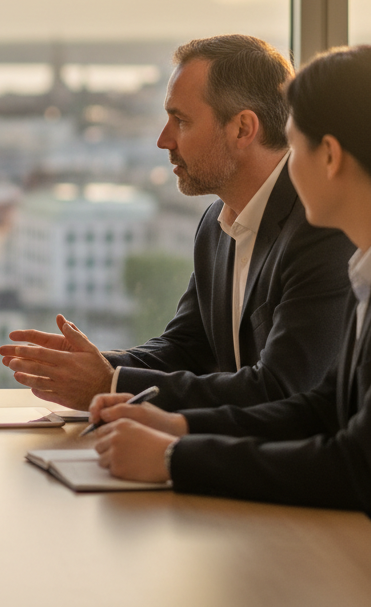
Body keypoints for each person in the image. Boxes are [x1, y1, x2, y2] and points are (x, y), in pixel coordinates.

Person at [0, 35, 354, 411]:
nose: (162, 140)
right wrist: (95, 367)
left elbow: (281, 390)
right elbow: (185, 348)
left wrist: (109, 383)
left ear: (242, 129)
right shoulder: (216, 225)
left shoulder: (322, 229)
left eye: (180, 121)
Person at [88, 45, 371, 512]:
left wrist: (174, 457)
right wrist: (177, 428)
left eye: (295, 145)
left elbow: (354, 465)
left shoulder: (328, 246)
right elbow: (319, 410)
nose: (287, 165)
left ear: (331, 157)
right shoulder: (362, 270)